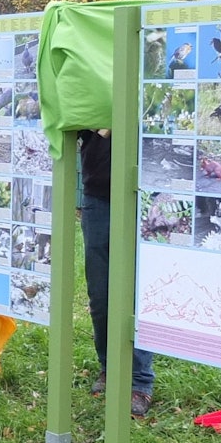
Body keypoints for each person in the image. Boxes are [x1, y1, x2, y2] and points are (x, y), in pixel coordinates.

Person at [79, 129, 154, 417]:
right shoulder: (88, 85)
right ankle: (109, 367)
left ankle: (140, 380)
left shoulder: (146, 86)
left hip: (141, 194)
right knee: (100, 295)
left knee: (136, 294)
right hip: (97, 195)